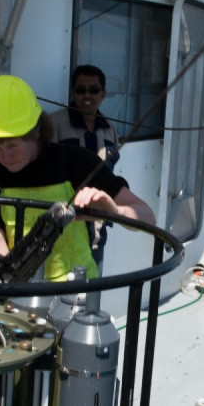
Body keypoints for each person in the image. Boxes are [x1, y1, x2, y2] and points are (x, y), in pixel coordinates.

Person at [0, 75, 154, 281]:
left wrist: (114, 212)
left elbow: (147, 217)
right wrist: (6, 282)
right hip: (19, 289)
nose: (5, 156)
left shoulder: (77, 161)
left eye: (13, 146)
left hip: (76, 294)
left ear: (35, 132)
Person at [47, 64, 121, 267]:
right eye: (81, 90)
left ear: (103, 93)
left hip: (97, 235)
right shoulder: (54, 124)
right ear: (73, 92)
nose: (87, 95)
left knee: (92, 294)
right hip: (62, 233)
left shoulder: (109, 129)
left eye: (94, 90)